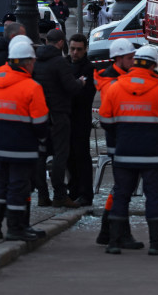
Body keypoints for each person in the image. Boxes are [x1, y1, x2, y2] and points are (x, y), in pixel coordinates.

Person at [99, 46, 158, 256]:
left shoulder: (116, 87)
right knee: (154, 196)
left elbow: (105, 120)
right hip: (152, 153)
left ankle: (114, 242)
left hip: (124, 151)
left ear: (135, 62)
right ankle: (156, 243)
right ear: (154, 65)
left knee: (121, 195)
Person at [0, 40, 49, 241]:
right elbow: (40, 123)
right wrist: (42, 139)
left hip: (2, 145)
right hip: (24, 146)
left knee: (0, 184)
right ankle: (15, 227)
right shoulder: (32, 87)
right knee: (18, 187)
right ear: (27, 62)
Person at [93, 38, 142, 249]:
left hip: (122, 140)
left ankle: (107, 231)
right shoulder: (113, 82)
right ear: (119, 59)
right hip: (120, 141)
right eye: (130, 58)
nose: (133, 62)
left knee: (123, 187)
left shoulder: (116, 77)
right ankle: (118, 233)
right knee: (124, 188)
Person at [32, 29, 86, 208]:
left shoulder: (36, 62)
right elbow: (70, 87)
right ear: (62, 43)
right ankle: (60, 195)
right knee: (60, 155)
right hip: (58, 115)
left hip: (40, 115)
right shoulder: (59, 62)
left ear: (47, 41)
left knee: (40, 156)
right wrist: (81, 82)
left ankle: (42, 195)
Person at [66, 34, 97, 206]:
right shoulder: (64, 64)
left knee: (81, 157)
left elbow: (85, 95)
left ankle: (85, 194)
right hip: (66, 118)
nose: (75, 53)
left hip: (81, 119)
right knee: (69, 157)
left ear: (85, 49)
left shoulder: (89, 68)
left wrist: (71, 89)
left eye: (79, 49)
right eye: (72, 49)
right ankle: (74, 190)